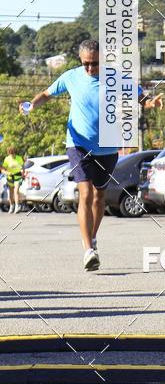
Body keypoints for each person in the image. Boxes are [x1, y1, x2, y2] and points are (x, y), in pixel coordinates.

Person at [20, 40, 119, 271]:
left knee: (98, 197)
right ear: (80, 61)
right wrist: (33, 105)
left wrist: (150, 101)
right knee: (85, 193)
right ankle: (88, 250)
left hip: (108, 148)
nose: (90, 68)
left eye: (95, 64)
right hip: (78, 145)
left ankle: (92, 238)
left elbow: (137, 94)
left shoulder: (114, 78)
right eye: (86, 64)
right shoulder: (71, 77)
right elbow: (46, 93)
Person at [1, 147, 25, 214]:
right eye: (11, 154)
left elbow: (23, 166)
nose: (12, 155)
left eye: (13, 154)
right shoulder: (7, 159)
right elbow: (3, 170)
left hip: (18, 176)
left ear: (15, 152)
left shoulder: (19, 158)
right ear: (9, 153)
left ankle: (17, 207)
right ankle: (12, 206)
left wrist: (23, 173)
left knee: (16, 191)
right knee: (11, 192)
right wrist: (7, 173)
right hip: (10, 177)